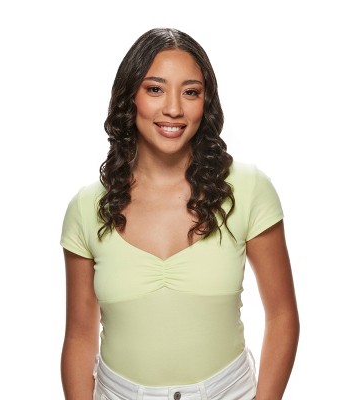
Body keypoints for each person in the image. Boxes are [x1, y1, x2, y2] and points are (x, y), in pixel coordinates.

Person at [60, 27, 299, 400]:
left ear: (206, 102)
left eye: (191, 92)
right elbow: (78, 334)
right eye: (155, 89)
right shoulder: (87, 208)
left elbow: (282, 315)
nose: (173, 108)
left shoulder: (249, 189)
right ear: (129, 97)